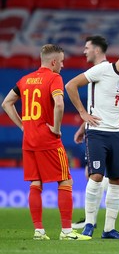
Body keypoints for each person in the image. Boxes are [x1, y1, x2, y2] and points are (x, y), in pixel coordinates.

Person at [1, 44, 91, 240]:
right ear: (53, 62)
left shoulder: (25, 80)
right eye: (61, 61)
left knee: (35, 182)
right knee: (65, 180)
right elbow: (59, 104)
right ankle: (67, 232)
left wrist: (23, 125)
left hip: (29, 139)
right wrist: (57, 129)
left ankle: (39, 231)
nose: (63, 65)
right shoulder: (54, 78)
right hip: (47, 139)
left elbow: (6, 103)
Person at [65, 41, 119, 239]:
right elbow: (71, 86)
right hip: (97, 132)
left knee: (116, 180)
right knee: (95, 177)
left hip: (118, 134)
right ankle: (89, 224)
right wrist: (83, 114)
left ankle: (109, 229)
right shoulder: (101, 70)